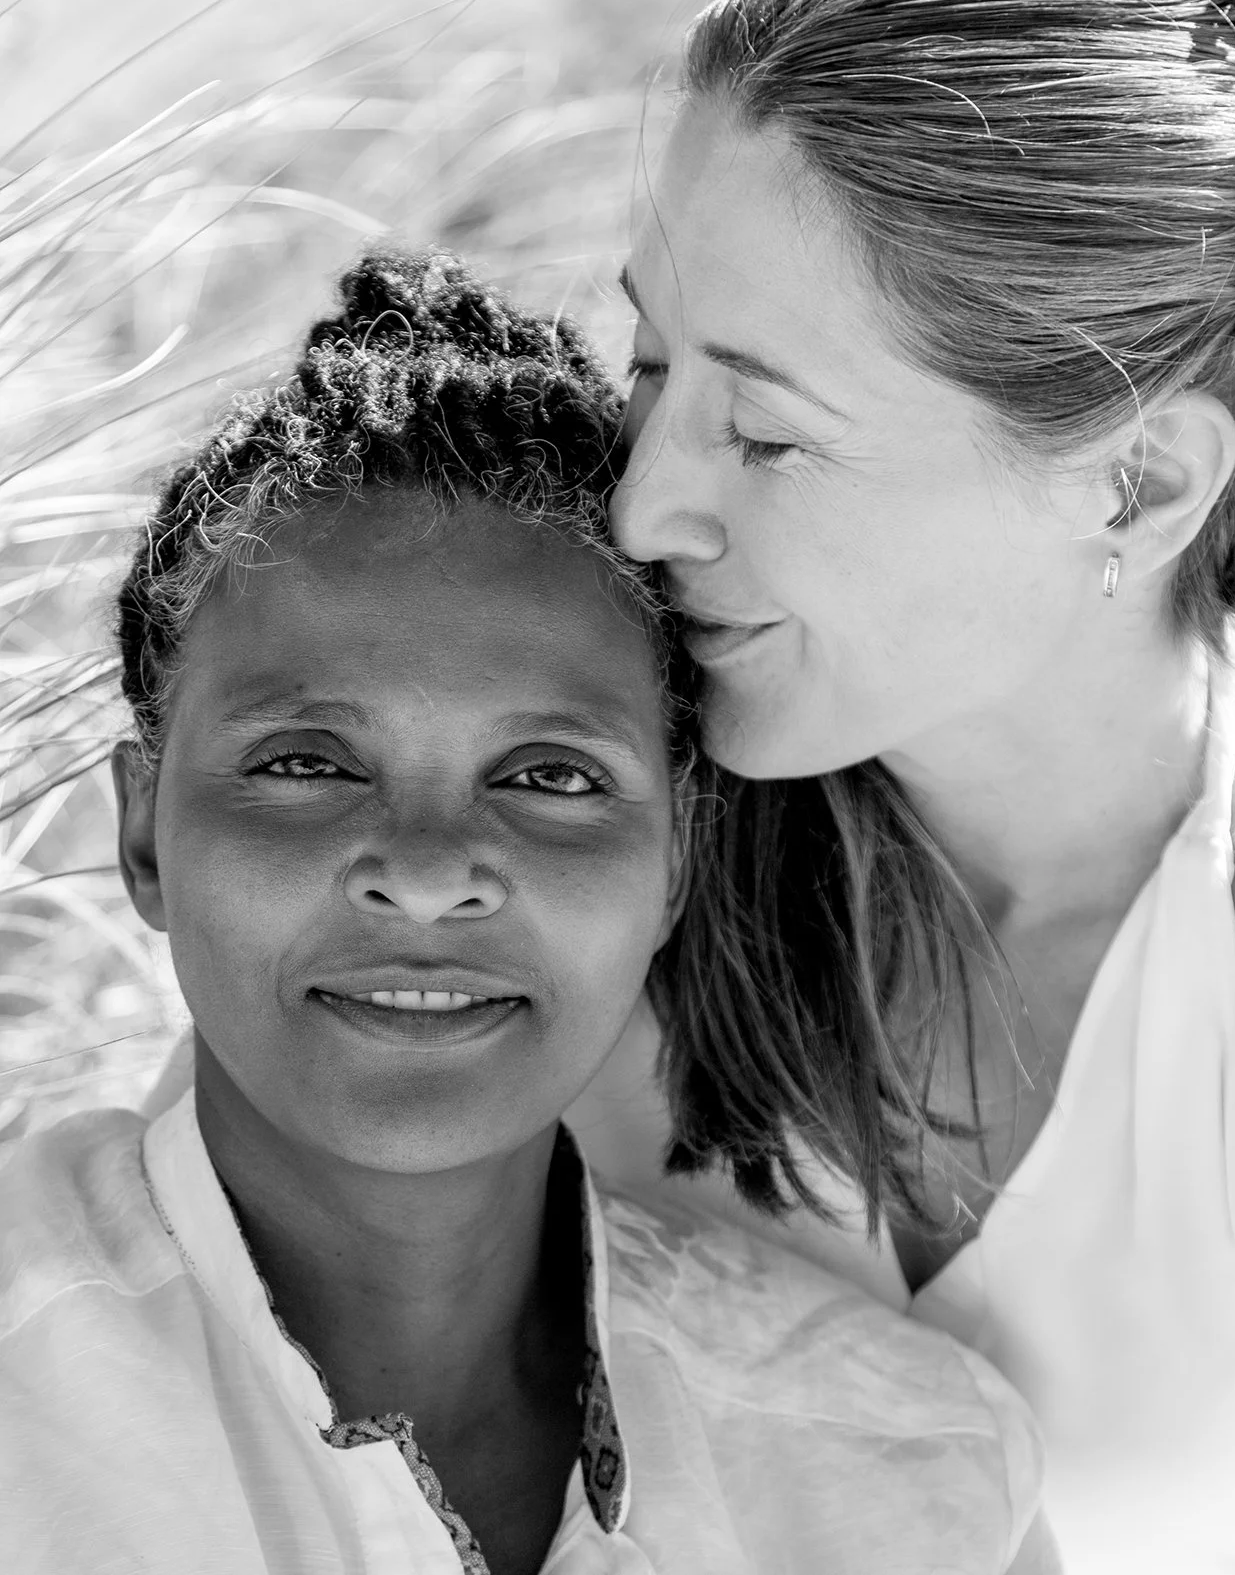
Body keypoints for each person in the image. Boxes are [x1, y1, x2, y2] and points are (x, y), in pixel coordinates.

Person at [599, 0, 1235, 1575]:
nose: (646, 510)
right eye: (650, 369)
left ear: (1139, 480)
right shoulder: (577, 803)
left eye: (768, 436)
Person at [0, 251, 1055, 1575]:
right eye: (309, 764)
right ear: (145, 827)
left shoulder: (915, 1473)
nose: (430, 869)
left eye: (549, 779)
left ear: (675, 862)